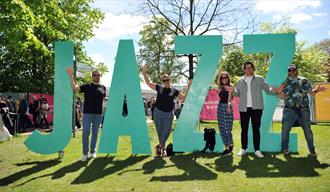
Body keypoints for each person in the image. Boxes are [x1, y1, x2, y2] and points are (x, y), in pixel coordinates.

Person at [225, 61, 281, 158]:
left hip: (257, 108)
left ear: (253, 68)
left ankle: (257, 150)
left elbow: (268, 89)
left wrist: (276, 90)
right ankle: (243, 149)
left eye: (250, 67)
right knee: (244, 130)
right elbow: (237, 93)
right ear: (244, 69)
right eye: (247, 67)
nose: (249, 69)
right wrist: (232, 91)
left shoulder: (259, 79)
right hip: (244, 109)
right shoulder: (240, 81)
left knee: (256, 129)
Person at [142, 64, 192, 157]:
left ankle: (159, 147)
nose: (166, 82)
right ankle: (161, 150)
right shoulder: (159, 88)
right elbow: (148, 83)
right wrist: (144, 73)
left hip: (169, 114)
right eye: (164, 80)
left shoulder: (174, 91)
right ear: (162, 81)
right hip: (158, 113)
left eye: (168, 80)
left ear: (170, 80)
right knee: (160, 132)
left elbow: (184, 98)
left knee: (167, 131)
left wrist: (189, 86)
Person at [278, 64, 326, 157]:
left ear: (297, 70)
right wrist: (277, 92)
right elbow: (282, 97)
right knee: (285, 131)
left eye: (293, 70)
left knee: (308, 130)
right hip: (289, 110)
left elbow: (311, 93)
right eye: (290, 71)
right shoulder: (285, 83)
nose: (292, 72)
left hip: (304, 110)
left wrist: (317, 90)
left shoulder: (304, 81)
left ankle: (312, 151)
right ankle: (284, 149)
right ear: (288, 72)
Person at [66, 67, 106, 161]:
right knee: (86, 132)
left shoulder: (103, 88)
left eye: (98, 75)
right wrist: (71, 76)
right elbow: (74, 88)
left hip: (98, 114)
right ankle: (85, 153)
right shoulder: (87, 86)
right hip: (87, 114)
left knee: (95, 134)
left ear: (100, 76)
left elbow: (104, 100)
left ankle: (92, 152)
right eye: (94, 75)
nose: (96, 76)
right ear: (92, 76)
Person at [217, 71, 234, 156]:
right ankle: (226, 147)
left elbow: (230, 98)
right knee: (221, 128)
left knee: (227, 129)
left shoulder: (230, 87)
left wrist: (228, 106)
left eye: (225, 77)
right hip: (220, 107)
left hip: (227, 107)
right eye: (222, 78)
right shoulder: (220, 88)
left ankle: (231, 144)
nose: (224, 79)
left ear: (228, 78)